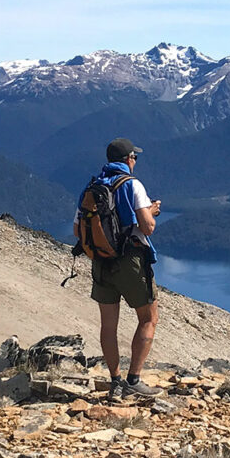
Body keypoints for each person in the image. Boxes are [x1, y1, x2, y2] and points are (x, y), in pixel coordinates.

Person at [80, 137, 163, 399]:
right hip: (130, 260)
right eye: (134, 157)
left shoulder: (92, 187)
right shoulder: (132, 185)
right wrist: (151, 212)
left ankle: (115, 381)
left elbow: (76, 229)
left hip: (101, 260)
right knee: (148, 318)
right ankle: (134, 381)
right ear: (128, 159)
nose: (135, 161)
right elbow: (147, 227)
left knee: (108, 325)